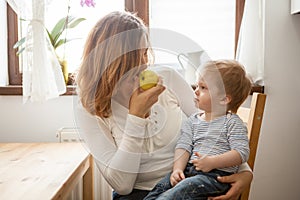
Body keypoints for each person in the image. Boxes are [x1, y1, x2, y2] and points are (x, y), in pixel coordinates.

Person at [75, 11, 253, 200]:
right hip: (138, 194)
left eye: (145, 53)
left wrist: (245, 171)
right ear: (114, 62)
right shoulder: (89, 108)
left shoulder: (168, 78)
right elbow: (123, 186)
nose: (145, 64)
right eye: (137, 56)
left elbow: (212, 127)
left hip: (191, 182)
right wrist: (136, 116)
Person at [143, 60, 252, 200]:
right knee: (159, 189)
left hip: (215, 177)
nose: (195, 91)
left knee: (174, 195)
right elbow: (184, 146)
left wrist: (213, 162)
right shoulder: (193, 120)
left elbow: (241, 153)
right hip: (189, 171)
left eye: (203, 87)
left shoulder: (232, 122)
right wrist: (177, 169)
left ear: (224, 99)